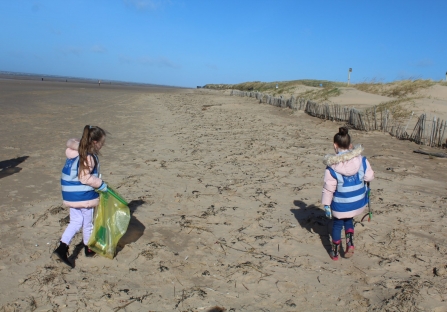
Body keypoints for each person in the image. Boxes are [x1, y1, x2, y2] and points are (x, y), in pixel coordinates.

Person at [53, 125, 108, 267]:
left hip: (71, 194)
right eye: (102, 143)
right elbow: (85, 178)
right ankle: (88, 248)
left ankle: (62, 247)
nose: (102, 146)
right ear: (95, 143)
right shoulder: (88, 157)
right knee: (87, 222)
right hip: (84, 195)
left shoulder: (74, 153)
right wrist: (101, 185)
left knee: (76, 221)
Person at [322, 127, 374, 261]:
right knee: (349, 219)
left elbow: (329, 188)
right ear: (350, 145)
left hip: (341, 204)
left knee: (337, 224)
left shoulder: (332, 167)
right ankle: (350, 244)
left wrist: (327, 205)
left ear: (335, 145)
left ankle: (334, 252)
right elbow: (369, 176)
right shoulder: (361, 160)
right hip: (357, 201)